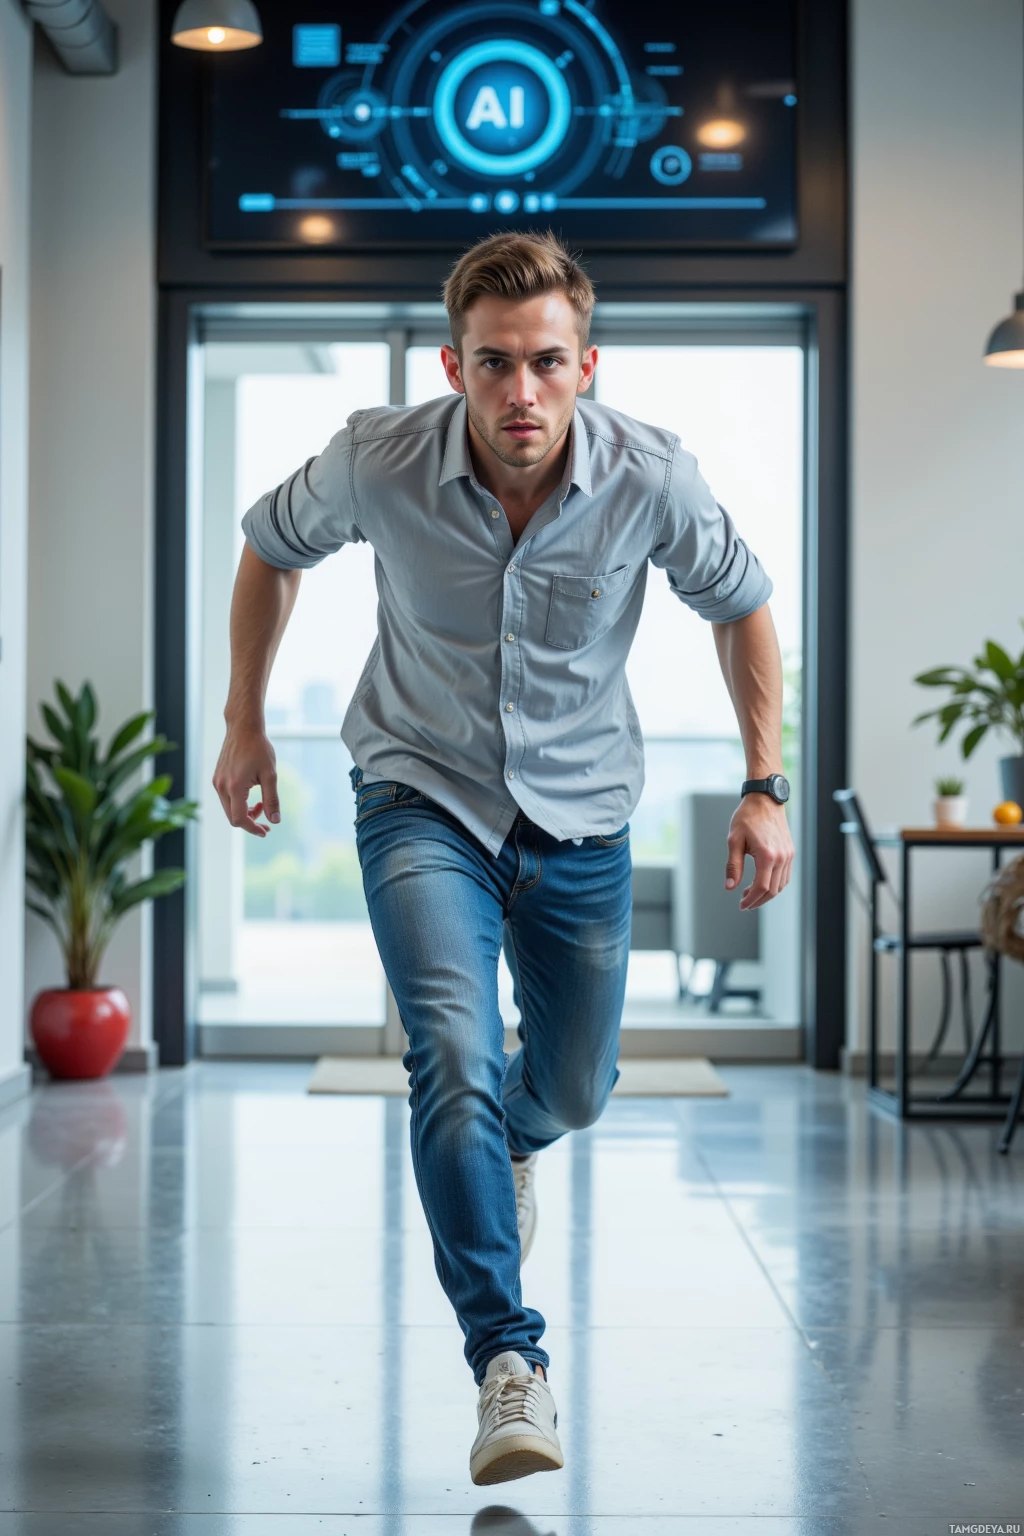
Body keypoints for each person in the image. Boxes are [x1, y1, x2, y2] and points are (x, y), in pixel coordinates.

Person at [213, 229, 795, 1486]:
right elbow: (268, 544)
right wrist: (243, 719)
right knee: (453, 1051)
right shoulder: (377, 458)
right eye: (492, 365)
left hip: (583, 816)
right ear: (454, 363)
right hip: (422, 796)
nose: (518, 394)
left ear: (587, 364)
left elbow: (742, 601)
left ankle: (511, 1141)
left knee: (574, 1087)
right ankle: (504, 1363)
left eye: (543, 364)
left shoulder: (654, 479)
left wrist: (762, 785)